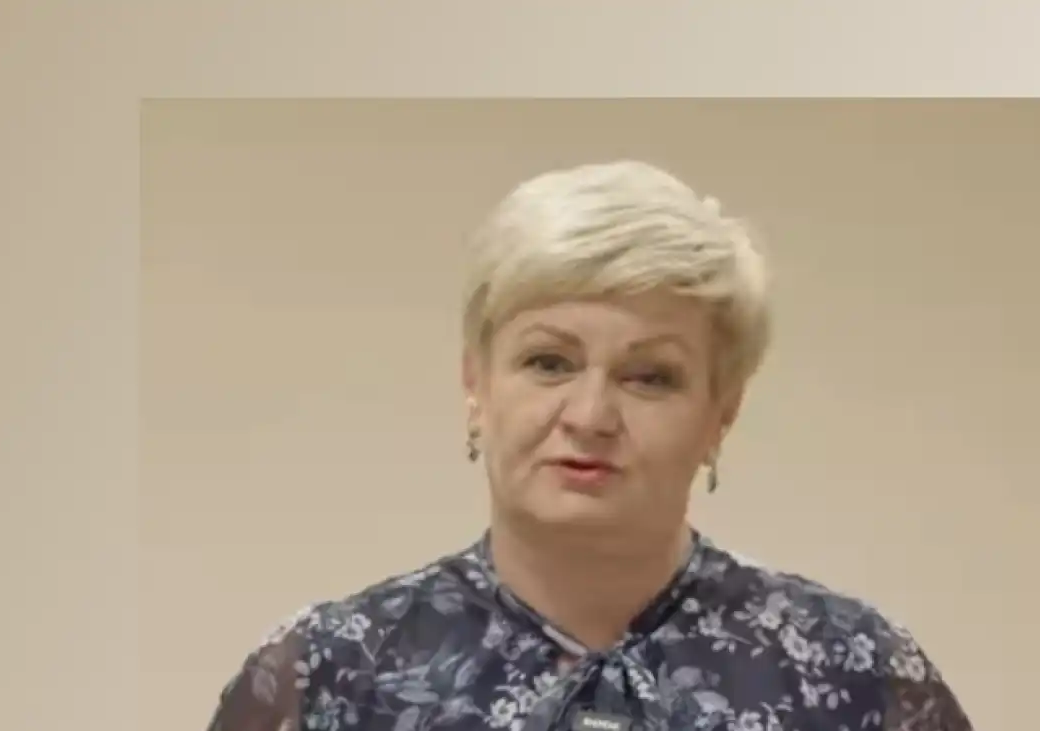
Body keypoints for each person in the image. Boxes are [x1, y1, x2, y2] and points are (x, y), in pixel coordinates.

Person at [205, 160, 973, 731]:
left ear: (721, 414)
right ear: (476, 385)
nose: (591, 414)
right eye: (549, 362)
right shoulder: (326, 675)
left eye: (650, 377)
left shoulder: (858, 672)